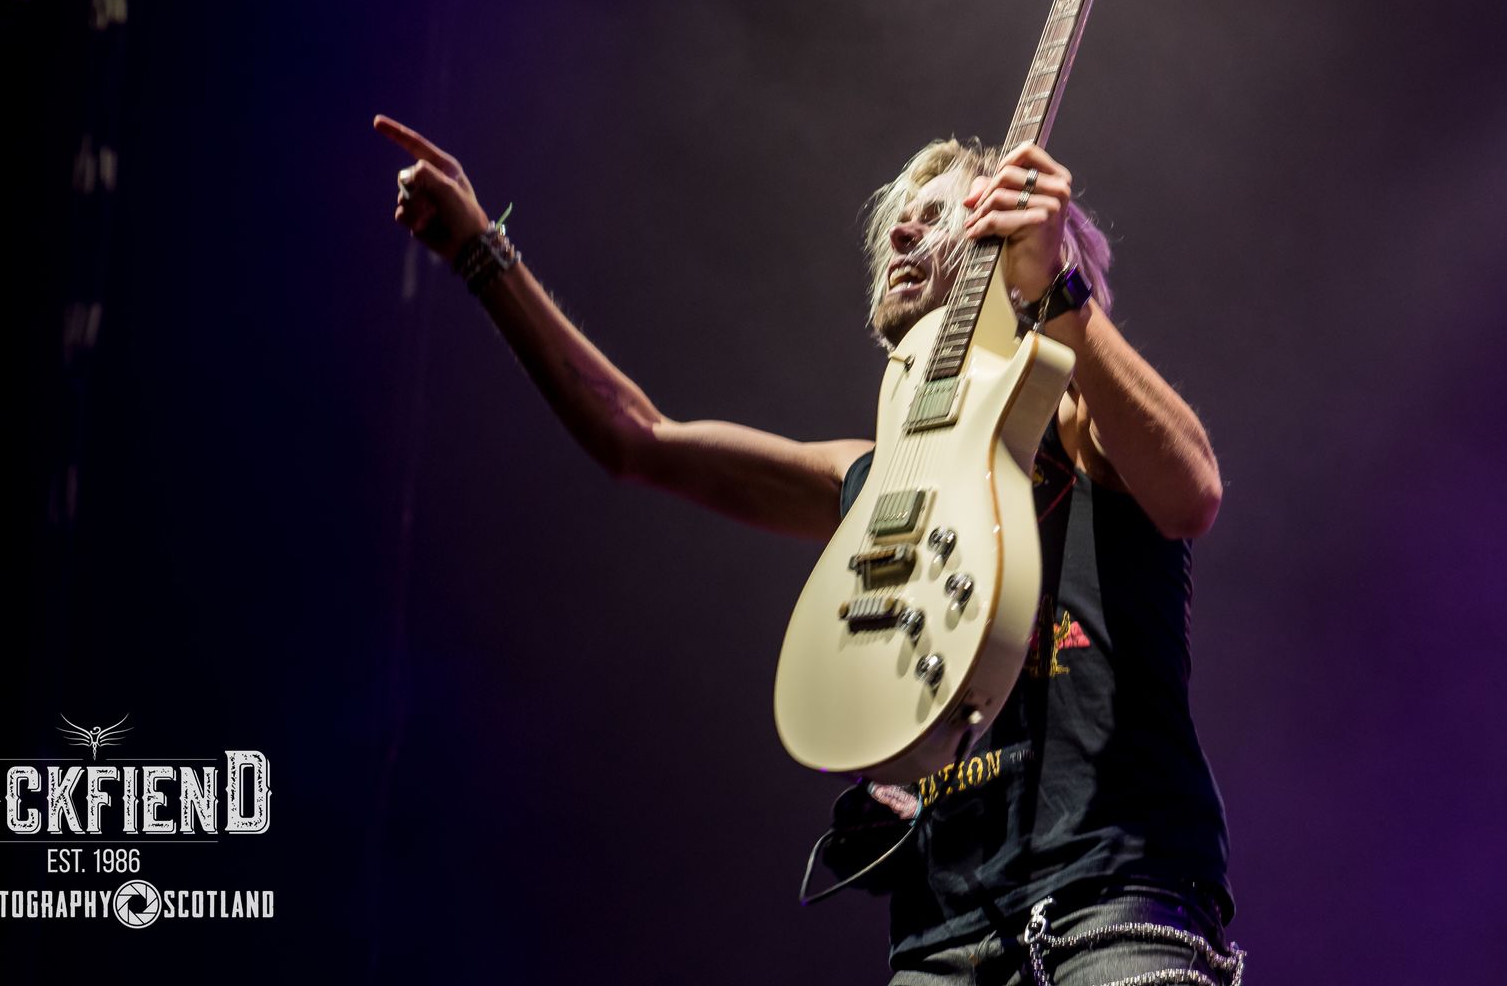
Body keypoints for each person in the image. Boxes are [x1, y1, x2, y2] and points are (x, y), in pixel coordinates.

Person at [378, 113, 1241, 986]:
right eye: (900, 219)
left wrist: (1061, 293)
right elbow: (638, 439)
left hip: (1113, 912)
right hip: (941, 944)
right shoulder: (873, 482)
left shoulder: (1083, 424)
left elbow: (1193, 492)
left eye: (939, 217)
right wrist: (481, 252)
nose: (900, 233)